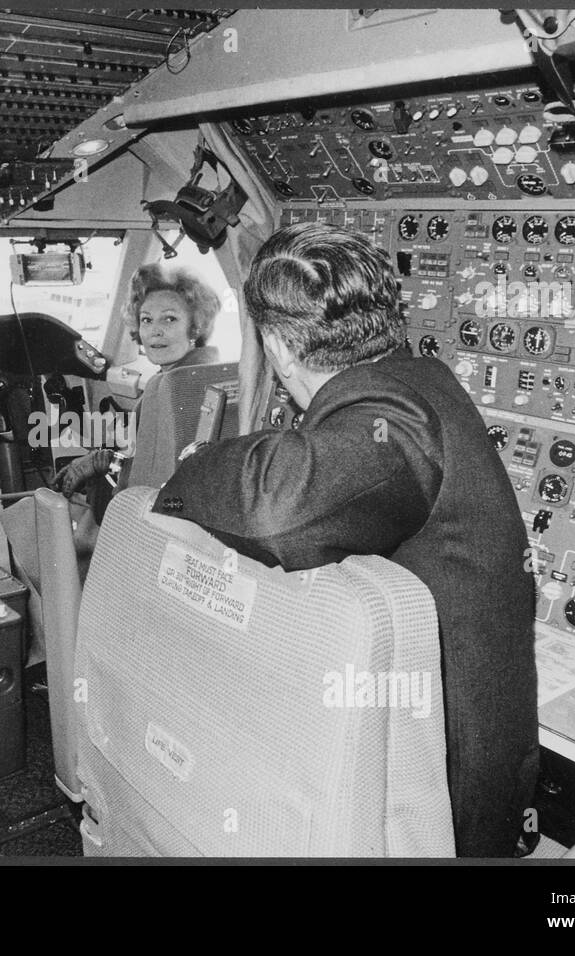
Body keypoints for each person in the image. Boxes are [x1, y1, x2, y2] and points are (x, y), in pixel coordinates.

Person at [154, 222, 539, 858]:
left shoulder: (393, 414)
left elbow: (276, 508)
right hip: (406, 714)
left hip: (442, 783)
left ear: (275, 344)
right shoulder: (411, 379)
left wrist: (193, 465)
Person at [53, 262, 222, 495]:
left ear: (195, 327)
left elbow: (143, 487)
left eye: (169, 319)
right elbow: (158, 465)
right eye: (146, 319)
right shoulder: (211, 373)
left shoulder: (166, 388)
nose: (155, 331)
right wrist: (102, 458)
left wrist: (95, 465)